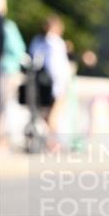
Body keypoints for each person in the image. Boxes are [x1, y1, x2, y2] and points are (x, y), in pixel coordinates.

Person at [28, 14, 73, 146]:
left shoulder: (37, 41)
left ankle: (51, 141)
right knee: (54, 114)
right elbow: (58, 68)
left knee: (46, 114)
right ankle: (54, 143)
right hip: (55, 83)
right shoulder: (55, 43)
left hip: (39, 84)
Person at [0, 0, 26, 147]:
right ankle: (1, 140)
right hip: (6, 71)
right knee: (3, 106)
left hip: (5, 71)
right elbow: (19, 50)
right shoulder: (7, 26)